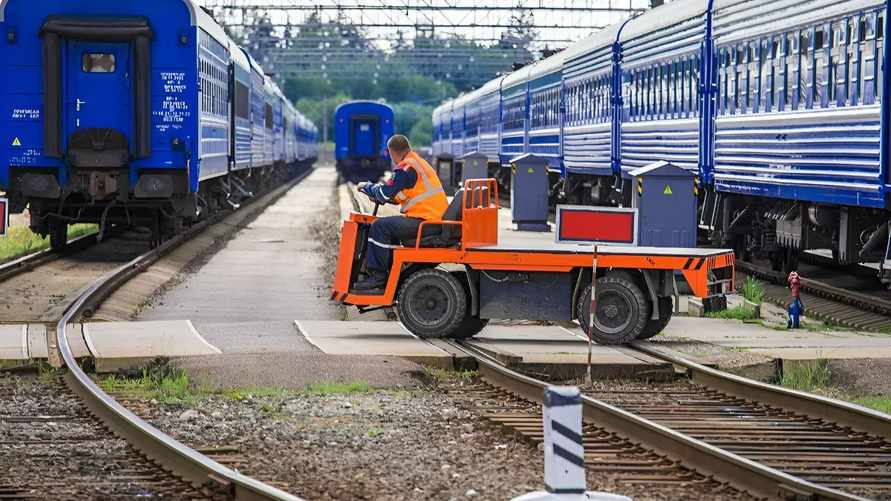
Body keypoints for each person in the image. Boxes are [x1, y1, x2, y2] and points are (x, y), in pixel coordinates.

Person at [352, 135, 448, 292]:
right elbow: (398, 195)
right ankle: (390, 272)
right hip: (433, 220)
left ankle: (378, 278)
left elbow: (385, 192)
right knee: (390, 227)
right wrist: (385, 197)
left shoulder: (405, 167)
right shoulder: (417, 163)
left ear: (392, 152)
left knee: (380, 227)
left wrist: (367, 186)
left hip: (426, 222)